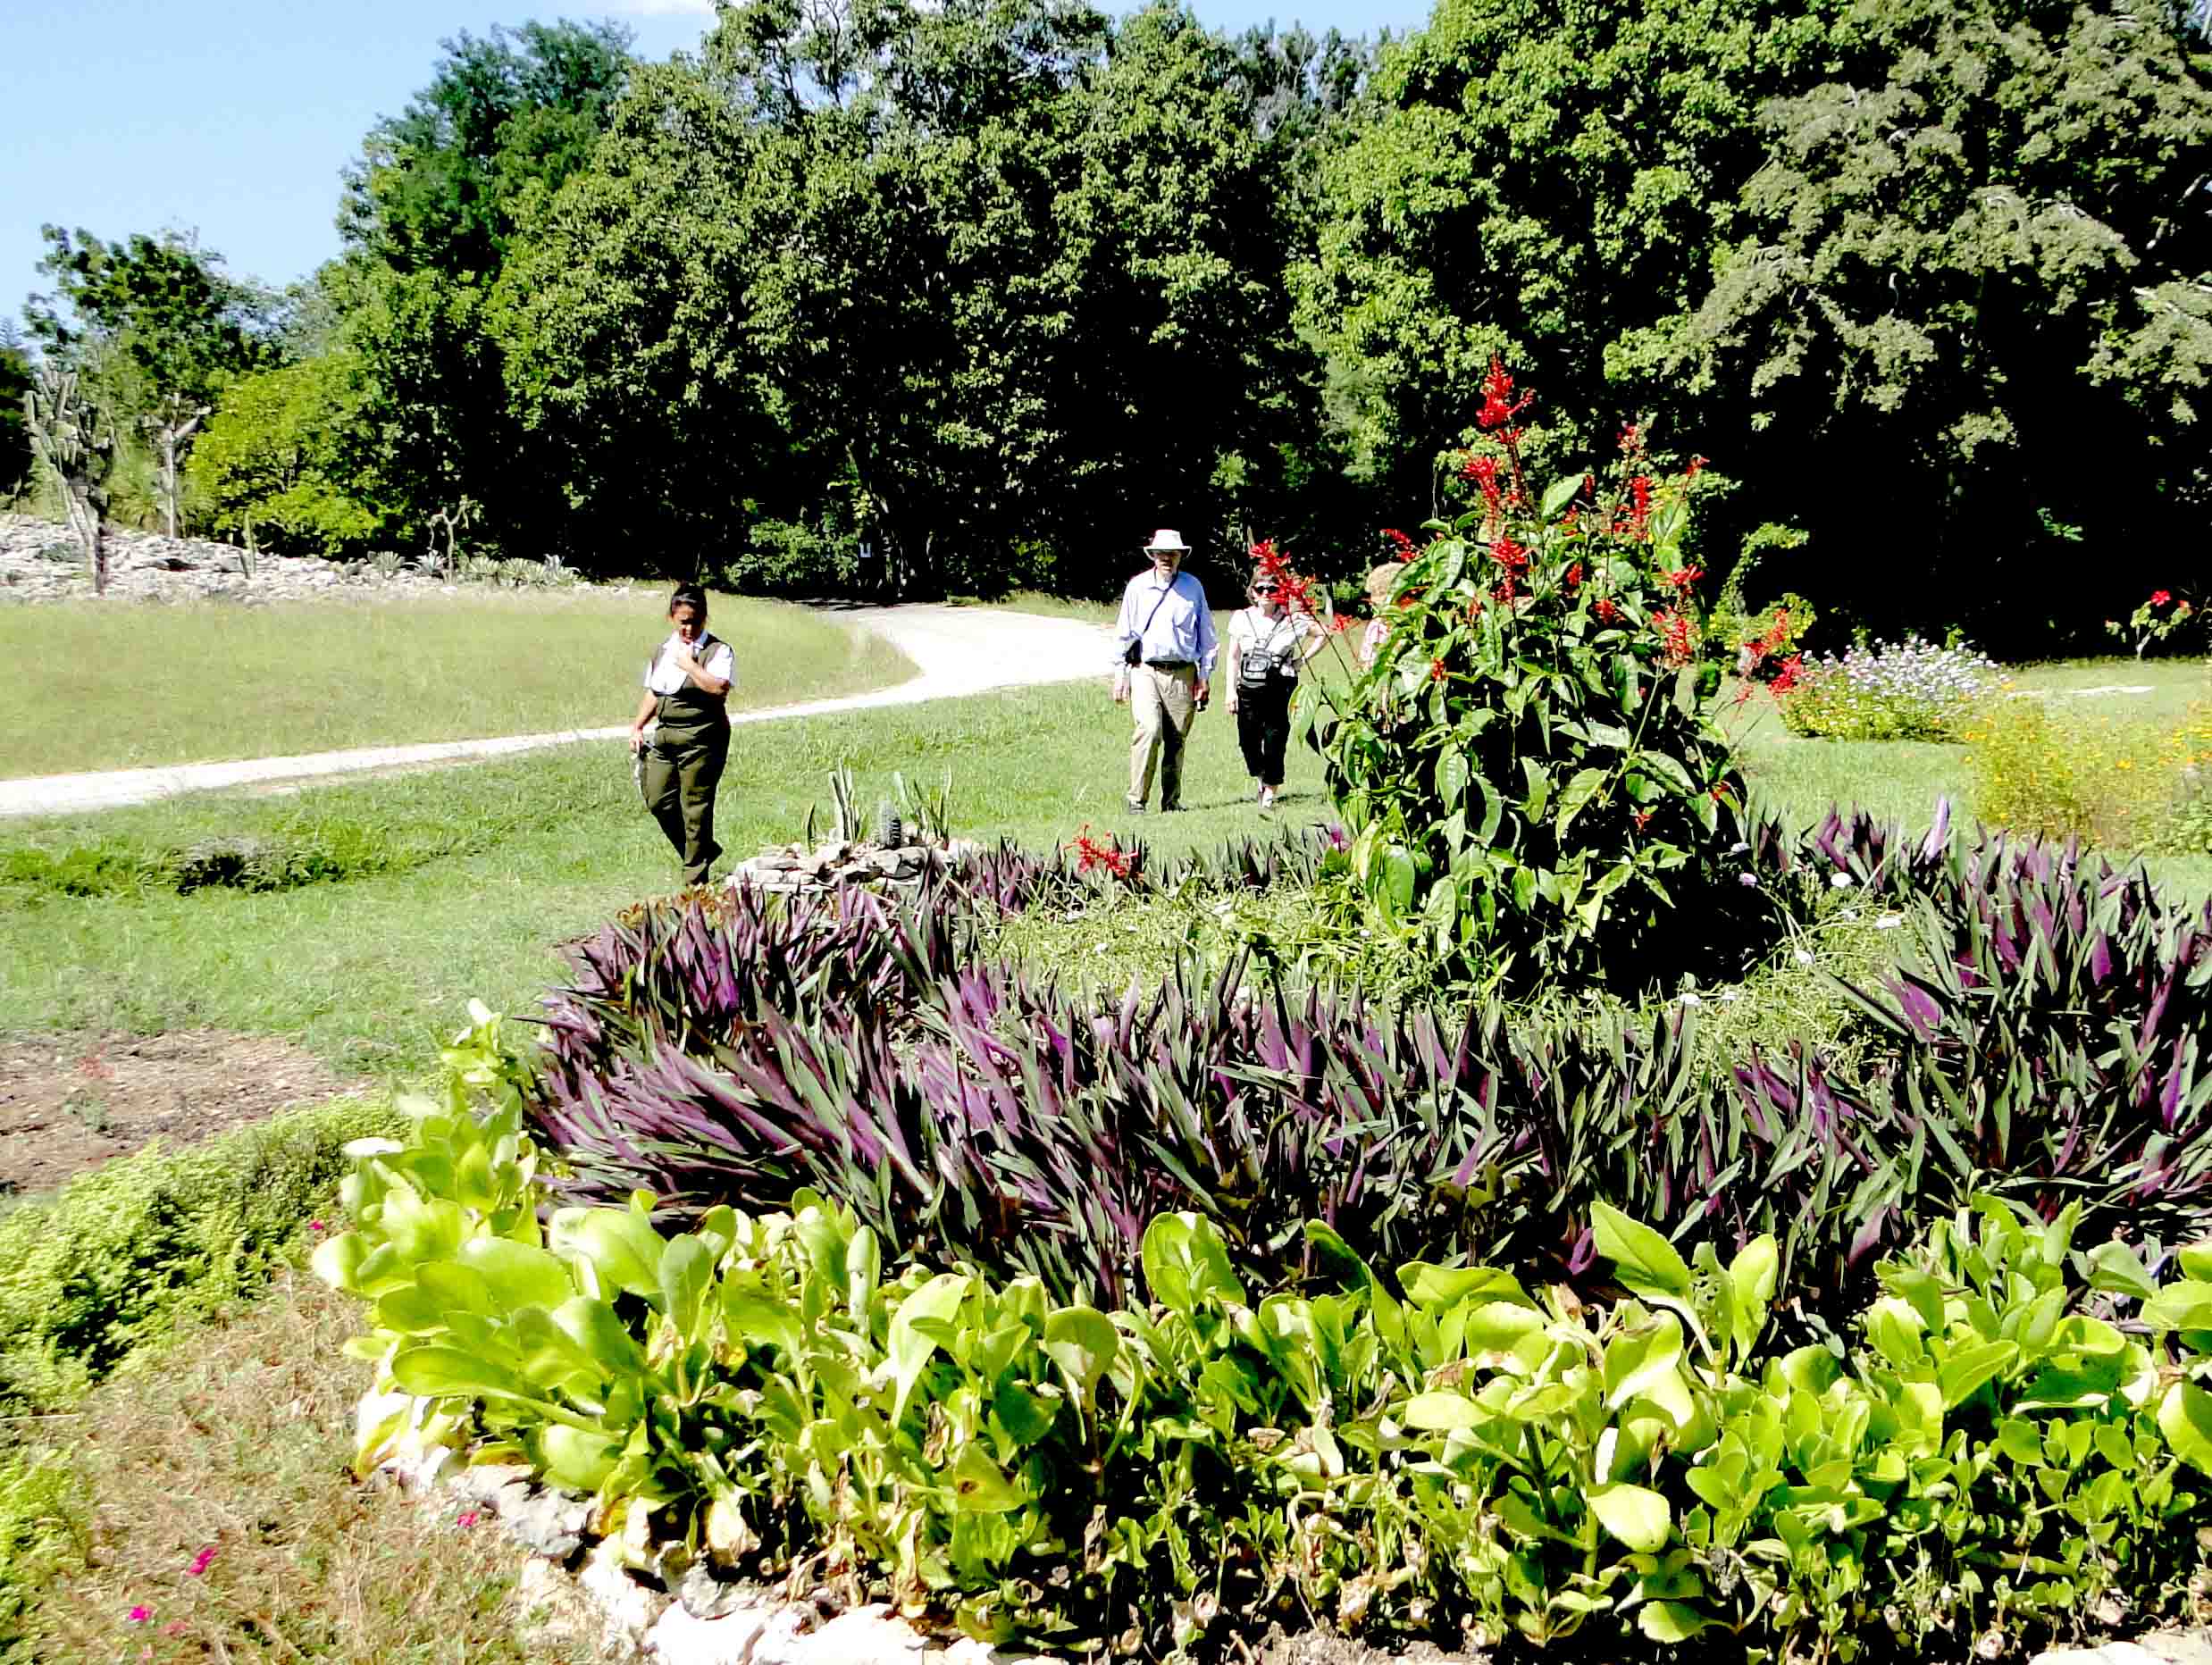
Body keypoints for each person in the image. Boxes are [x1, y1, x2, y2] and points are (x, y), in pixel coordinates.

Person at [628, 582, 735, 886]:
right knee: (658, 800)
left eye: (695, 621)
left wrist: (689, 665)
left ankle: (695, 882)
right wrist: (637, 725)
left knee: (695, 807)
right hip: (665, 737)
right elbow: (654, 692)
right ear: (671, 618)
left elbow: (718, 688)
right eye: (683, 621)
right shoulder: (663, 650)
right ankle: (702, 850)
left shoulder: (718, 650)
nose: (689, 627)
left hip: (702, 738)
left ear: (705, 618)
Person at [1110, 530, 1218, 813]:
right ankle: (1136, 801)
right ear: (1153, 556)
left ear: (1181, 555)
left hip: (1183, 672)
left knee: (1176, 739)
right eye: (1161, 553)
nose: (1167, 558)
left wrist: (1204, 677)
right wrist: (1119, 676)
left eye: (1172, 553)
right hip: (1145, 669)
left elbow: (1207, 637)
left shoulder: (1193, 587)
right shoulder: (1137, 587)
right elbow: (1123, 634)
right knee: (1149, 729)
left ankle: (1171, 802)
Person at [1225, 564, 1323, 808]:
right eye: (1260, 589)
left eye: (1272, 588)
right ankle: (1260, 775)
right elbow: (1233, 656)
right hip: (1248, 686)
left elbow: (1323, 633)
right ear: (1253, 592)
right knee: (1248, 740)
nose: (1266, 593)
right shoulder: (1241, 618)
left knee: (1275, 738)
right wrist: (1229, 691)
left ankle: (1270, 790)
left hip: (1281, 685)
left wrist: (1302, 660)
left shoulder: (1294, 620)